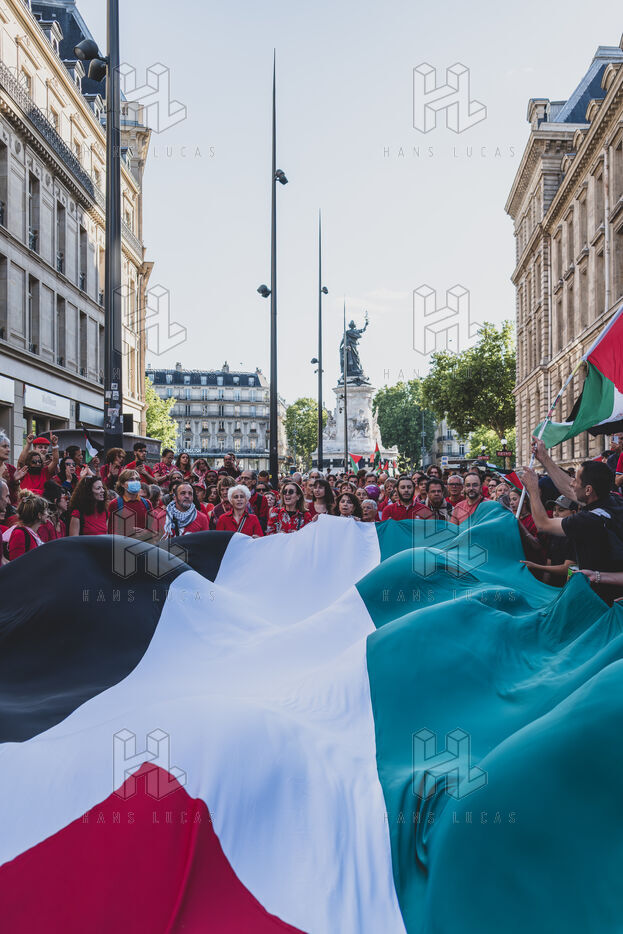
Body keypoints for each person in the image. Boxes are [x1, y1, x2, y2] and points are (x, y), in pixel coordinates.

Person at [523, 438, 623, 602]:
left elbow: (542, 524)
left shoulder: (588, 520)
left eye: (576, 480)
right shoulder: (615, 500)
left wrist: (533, 490)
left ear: (588, 490)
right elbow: (569, 488)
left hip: (600, 600)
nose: (572, 484)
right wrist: (544, 458)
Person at [2, 493, 47, 562]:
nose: (48, 514)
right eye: (45, 510)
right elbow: (16, 563)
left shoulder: (33, 533)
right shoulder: (19, 534)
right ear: (39, 515)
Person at [107, 469, 153, 537]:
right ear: (122, 484)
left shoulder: (147, 503)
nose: (135, 482)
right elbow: (111, 531)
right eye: (131, 480)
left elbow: (153, 528)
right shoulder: (115, 504)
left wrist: (146, 532)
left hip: (143, 542)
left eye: (138, 479)